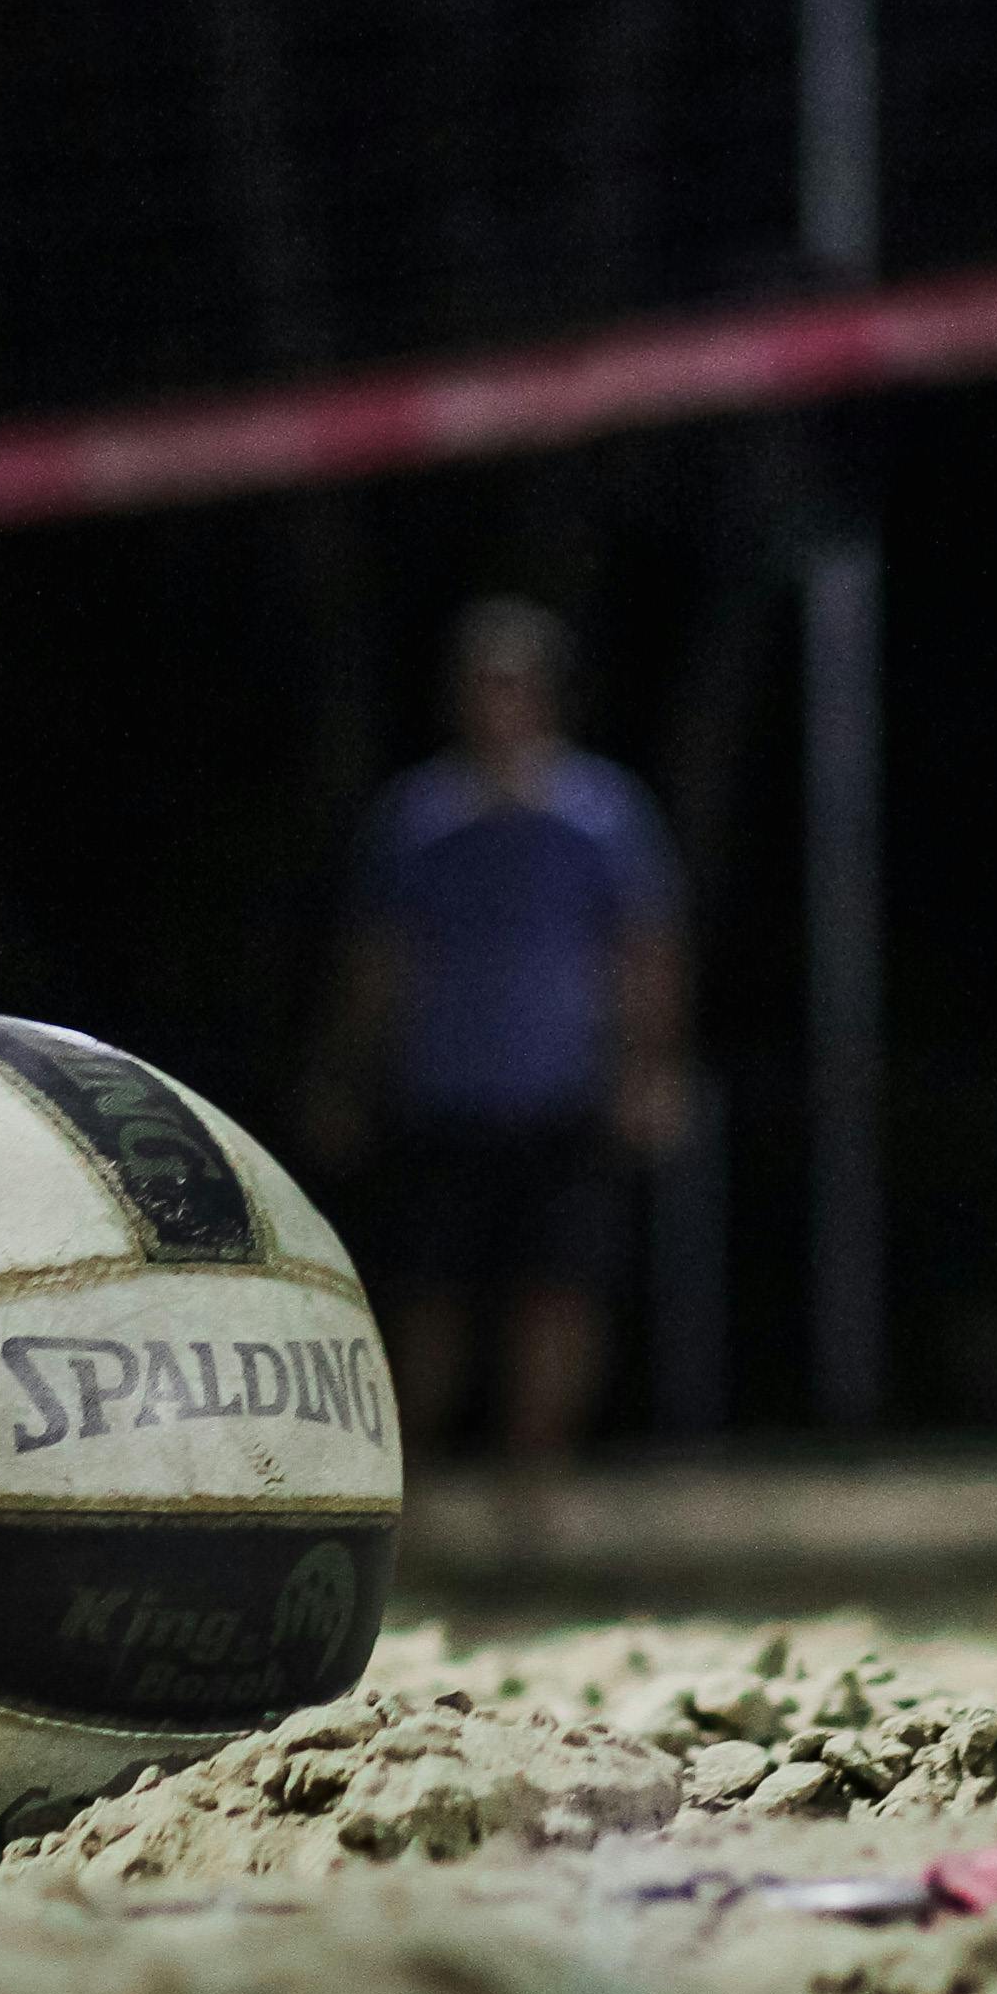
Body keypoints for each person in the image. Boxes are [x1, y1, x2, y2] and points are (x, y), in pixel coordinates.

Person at [309, 599, 690, 1470]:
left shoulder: (604, 814)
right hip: (443, 1093)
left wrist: (651, 1070)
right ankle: (420, 1478)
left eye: (515, 684)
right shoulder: (419, 817)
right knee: (429, 1294)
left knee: (558, 1293)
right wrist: (343, 1075)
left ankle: (537, 1479)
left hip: (564, 1093)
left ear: (550, 695)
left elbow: (645, 951)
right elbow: (378, 959)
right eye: (482, 684)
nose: (497, 701)